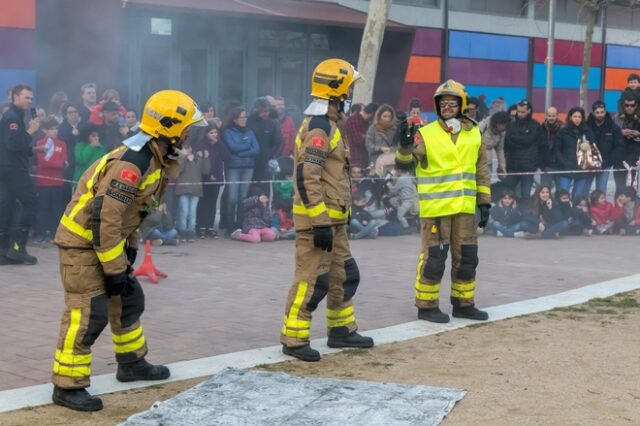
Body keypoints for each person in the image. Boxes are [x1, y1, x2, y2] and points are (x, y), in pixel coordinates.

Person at [50, 90, 207, 412]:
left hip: (106, 243)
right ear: (169, 129)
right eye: (187, 128)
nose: (191, 134)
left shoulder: (154, 156)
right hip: (81, 245)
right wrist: (115, 269)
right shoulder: (132, 163)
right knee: (87, 314)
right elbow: (105, 218)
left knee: (130, 300)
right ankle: (66, 385)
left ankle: (132, 363)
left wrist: (129, 252)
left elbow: (134, 212)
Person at [280, 58, 374, 362]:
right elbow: (307, 175)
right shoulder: (320, 126)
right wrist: (319, 222)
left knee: (344, 275)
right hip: (318, 222)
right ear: (337, 92)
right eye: (348, 90)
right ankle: (294, 339)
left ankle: (341, 330)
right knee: (311, 280)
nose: (350, 97)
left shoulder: (331, 124)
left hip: (335, 221)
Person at [395, 79, 491, 323]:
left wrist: (485, 202)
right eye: (442, 103)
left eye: (452, 102)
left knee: (467, 258)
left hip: (464, 210)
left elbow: (481, 170)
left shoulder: (474, 133)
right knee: (434, 260)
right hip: (436, 210)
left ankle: (463, 304)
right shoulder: (425, 134)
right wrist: (404, 146)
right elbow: (404, 164)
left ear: (462, 104)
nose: (447, 107)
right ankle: (426, 307)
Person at [0, 84, 41, 265]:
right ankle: (18, 248)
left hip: (7, 166)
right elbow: (12, 144)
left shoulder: (14, 116)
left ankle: (4, 251)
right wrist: (30, 132)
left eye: (31, 98)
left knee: (7, 206)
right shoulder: (12, 117)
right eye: (26, 97)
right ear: (15, 97)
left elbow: (12, 146)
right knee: (30, 202)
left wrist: (31, 149)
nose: (30, 101)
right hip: (14, 169)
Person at [222, 107, 260, 236]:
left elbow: (256, 149)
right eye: (242, 117)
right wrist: (247, 147)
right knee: (232, 198)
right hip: (233, 168)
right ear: (235, 119)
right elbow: (232, 147)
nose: (245, 119)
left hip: (248, 167)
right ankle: (230, 226)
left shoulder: (250, 132)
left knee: (243, 198)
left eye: (245, 117)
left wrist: (240, 153)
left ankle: (240, 224)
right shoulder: (228, 132)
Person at [33, 116, 68, 243]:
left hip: (57, 182)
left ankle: (55, 233)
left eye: (56, 129)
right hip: (43, 182)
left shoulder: (62, 144)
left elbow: (64, 161)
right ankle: (40, 233)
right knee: (43, 209)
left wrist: (58, 164)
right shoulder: (40, 144)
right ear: (45, 130)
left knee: (57, 209)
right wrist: (59, 164)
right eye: (52, 129)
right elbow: (43, 161)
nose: (55, 131)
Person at [554, 107, 597, 202]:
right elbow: (557, 149)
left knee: (578, 196)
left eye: (579, 117)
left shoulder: (587, 131)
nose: (577, 119)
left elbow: (594, 147)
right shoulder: (563, 131)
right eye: (575, 116)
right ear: (570, 117)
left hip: (582, 168)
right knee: (563, 194)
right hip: (566, 168)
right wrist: (563, 162)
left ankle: (576, 215)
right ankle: (563, 215)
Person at [504, 99, 541, 201]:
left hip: (528, 166)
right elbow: (507, 142)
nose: (520, 114)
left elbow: (529, 140)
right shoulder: (511, 124)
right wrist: (522, 140)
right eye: (518, 111)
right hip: (512, 165)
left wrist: (515, 138)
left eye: (523, 112)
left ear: (529, 111)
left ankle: (524, 214)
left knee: (525, 194)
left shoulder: (535, 125)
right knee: (508, 192)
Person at [195, 125, 227, 239]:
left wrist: (219, 144)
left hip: (217, 178)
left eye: (215, 132)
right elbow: (200, 163)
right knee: (203, 202)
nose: (214, 135)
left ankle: (210, 226)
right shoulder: (201, 145)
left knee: (213, 203)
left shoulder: (219, 145)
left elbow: (226, 157)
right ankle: (201, 226)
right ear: (206, 134)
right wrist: (209, 175)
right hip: (205, 179)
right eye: (212, 133)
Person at [175, 143, 211, 242]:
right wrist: (182, 156)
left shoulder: (198, 158)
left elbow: (206, 171)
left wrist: (206, 158)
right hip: (183, 189)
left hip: (196, 190)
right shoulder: (179, 158)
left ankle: (191, 232)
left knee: (192, 213)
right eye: (184, 148)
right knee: (184, 212)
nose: (187, 149)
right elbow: (179, 170)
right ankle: (182, 232)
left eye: (189, 147)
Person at [586, 101, 624, 194]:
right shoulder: (586, 127)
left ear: (605, 112)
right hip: (588, 165)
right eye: (597, 112)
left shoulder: (614, 128)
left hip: (605, 164)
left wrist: (606, 162)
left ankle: (600, 208)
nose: (600, 115)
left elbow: (619, 147)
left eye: (602, 112)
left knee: (601, 191)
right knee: (584, 191)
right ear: (593, 113)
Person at [365, 104, 397, 168]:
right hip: (375, 160)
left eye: (389, 116)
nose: (387, 119)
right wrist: (380, 148)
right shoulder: (373, 128)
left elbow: (398, 145)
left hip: (391, 160)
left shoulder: (395, 129)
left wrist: (390, 149)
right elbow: (368, 145)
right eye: (384, 116)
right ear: (379, 116)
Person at [539, 106, 563, 189]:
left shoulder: (564, 129)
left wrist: (564, 162)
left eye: (553, 116)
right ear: (546, 116)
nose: (551, 118)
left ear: (557, 116)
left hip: (561, 166)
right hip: (546, 166)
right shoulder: (541, 129)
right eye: (549, 116)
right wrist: (542, 165)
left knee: (561, 192)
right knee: (545, 190)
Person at [481, 110, 509, 178]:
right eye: (502, 125)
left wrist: (502, 167)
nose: (503, 128)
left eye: (505, 125)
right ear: (497, 123)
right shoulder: (482, 126)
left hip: (488, 162)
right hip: (476, 162)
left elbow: (500, 150)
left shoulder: (502, 132)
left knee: (486, 185)